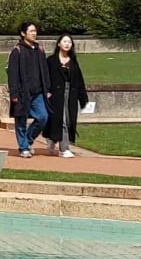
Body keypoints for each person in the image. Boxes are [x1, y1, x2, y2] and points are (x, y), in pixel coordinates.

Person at [6, 21, 51, 159]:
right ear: (23, 33)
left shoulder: (39, 50)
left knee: (43, 117)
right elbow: (12, 74)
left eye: (35, 31)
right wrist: (14, 93)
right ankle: (23, 147)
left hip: (38, 92)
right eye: (31, 31)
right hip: (21, 92)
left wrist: (47, 89)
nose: (34, 33)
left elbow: (45, 71)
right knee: (21, 121)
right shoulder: (17, 51)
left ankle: (28, 140)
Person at [43, 34, 89, 158]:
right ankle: (64, 149)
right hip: (56, 95)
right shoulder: (51, 61)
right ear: (59, 44)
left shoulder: (73, 62)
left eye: (69, 42)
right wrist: (46, 91)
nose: (67, 44)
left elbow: (79, 81)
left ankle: (51, 139)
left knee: (68, 120)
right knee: (60, 120)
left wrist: (84, 99)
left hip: (70, 94)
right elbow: (45, 78)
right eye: (64, 41)